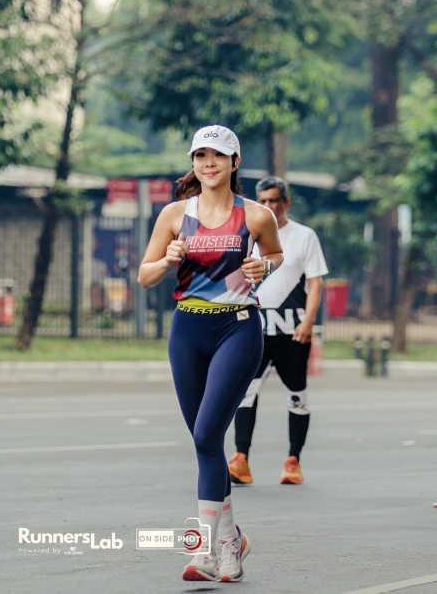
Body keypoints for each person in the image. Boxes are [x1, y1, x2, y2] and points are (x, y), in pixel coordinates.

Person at [138, 125, 283, 583]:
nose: (209, 163)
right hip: (186, 331)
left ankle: (207, 552)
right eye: (200, 155)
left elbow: (275, 255)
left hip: (236, 328)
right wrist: (167, 261)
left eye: (218, 155)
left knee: (205, 435)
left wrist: (265, 265)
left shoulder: (256, 216)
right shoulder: (175, 215)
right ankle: (231, 538)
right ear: (193, 163)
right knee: (207, 444)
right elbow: (145, 276)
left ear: (235, 162)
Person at [228, 175, 328, 486]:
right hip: (254, 329)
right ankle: (240, 459)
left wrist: (308, 321)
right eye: (263, 201)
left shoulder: (304, 236)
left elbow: (314, 282)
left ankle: (293, 461)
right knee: (245, 392)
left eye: (275, 200)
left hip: (292, 331)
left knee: (296, 395)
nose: (269, 206)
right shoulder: (247, 234)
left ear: (286, 203)